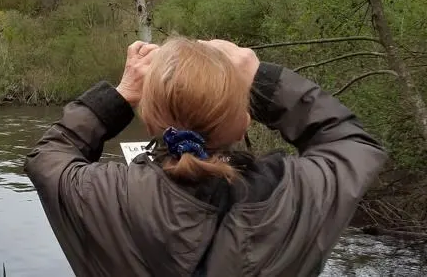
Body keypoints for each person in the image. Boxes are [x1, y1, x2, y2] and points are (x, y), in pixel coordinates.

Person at [25, 37, 387, 277]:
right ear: (245, 118)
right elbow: (354, 145)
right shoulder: (294, 196)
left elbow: (49, 157)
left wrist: (121, 95)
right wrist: (264, 79)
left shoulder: (103, 194)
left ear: (149, 119)